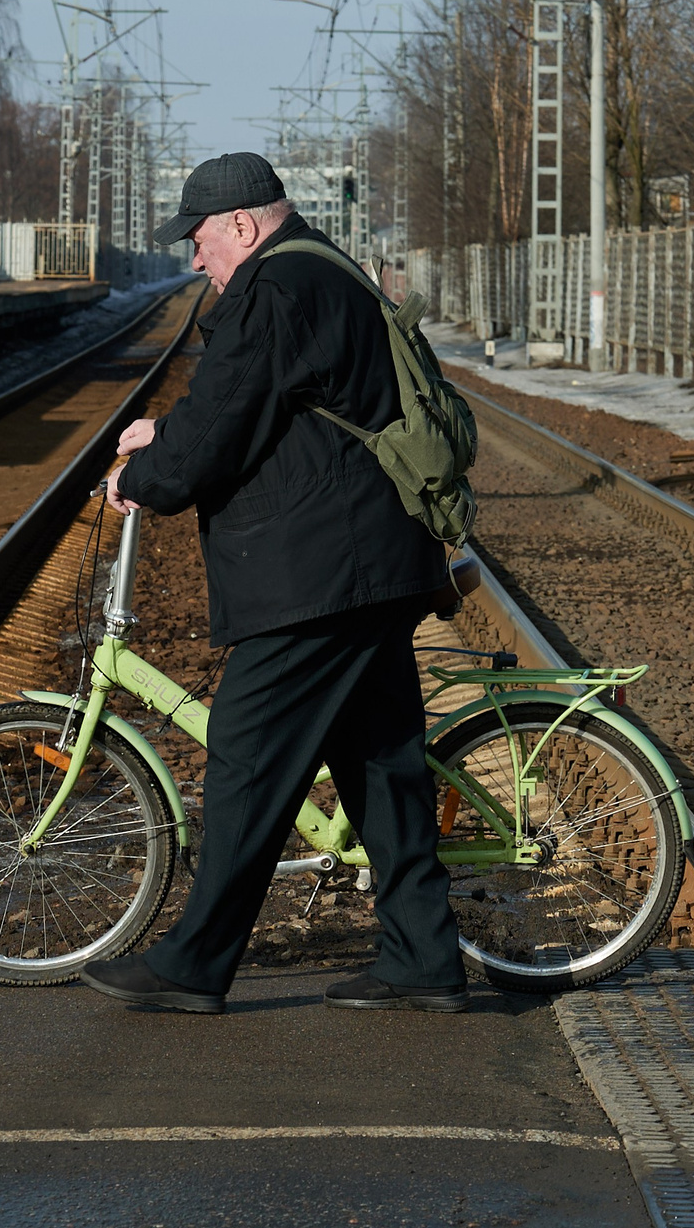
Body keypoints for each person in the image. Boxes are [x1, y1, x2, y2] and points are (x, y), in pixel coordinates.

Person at [81, 150, 466, 1015]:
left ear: (244, 226)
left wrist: (141, 477)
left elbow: (223, 425)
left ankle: (194, 960)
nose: (195, 261)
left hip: (318, 575)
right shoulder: (323, 270)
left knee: (247, 757)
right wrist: (167, 431)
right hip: (369, 562)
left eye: (202, 240)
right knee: (381, 766)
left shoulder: (270, 288)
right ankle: (423, 959)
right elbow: (271, 406)